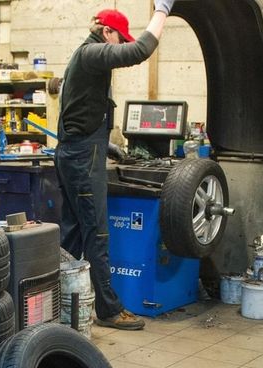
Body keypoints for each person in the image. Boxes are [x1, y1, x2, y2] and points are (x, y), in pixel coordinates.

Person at [56, 2, 175, 330]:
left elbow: (76, 111)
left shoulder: (84, 59)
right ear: (106, 31)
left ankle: (59, 307)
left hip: (75, 153)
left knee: (72, 237)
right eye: (119, 38)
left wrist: (110, 147)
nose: (120, 45)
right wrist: (162, 11)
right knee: (98, 234)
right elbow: (139, 51)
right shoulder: (93, 53)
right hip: (82, 159)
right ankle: (109, 310)